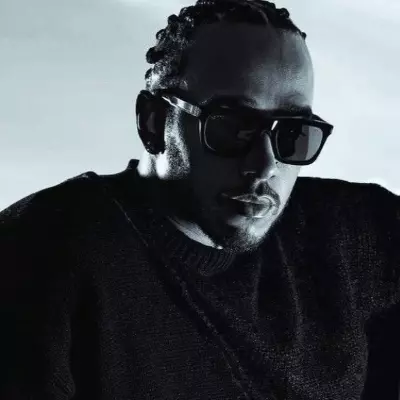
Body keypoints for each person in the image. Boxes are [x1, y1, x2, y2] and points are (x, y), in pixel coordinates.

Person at [1, 0, 400, 399]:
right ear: (153, 122)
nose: (265, 165)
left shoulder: (357, 235)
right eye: (231, 126)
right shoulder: (42, 252)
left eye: (294, 132)